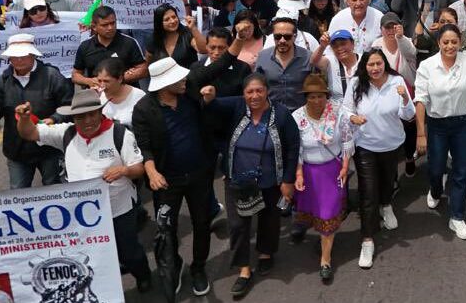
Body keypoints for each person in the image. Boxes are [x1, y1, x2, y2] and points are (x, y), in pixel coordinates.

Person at [13, 86, 151, 293]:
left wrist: (123, 170)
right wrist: (24, 119)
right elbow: (30, 133)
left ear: (101, 112)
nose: (87, 121)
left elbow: (139, 168)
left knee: (129, 252)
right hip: (83, 216)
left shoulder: (120, 134)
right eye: (80, 117)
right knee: (93, 256)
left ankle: (143, 275)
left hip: (119, 209)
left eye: (91, 115)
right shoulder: (66, 133)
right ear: (73, 118)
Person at [200, 74, 299, 299]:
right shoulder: (235, 107)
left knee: (269, 220)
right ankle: (244, 269)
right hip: (238, 181)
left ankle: (265, 253)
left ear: (267, 92)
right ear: (243, 94)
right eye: (249, 92)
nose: (254, 96)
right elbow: (212, 107)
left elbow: (293, 148)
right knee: (238, 226)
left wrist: (288, 180)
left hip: (271, 181)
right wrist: (210, 97)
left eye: (259, 91)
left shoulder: (282, 115)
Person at [131, 58, 216, 296]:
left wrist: (239, 39)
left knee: (201, 223)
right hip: (167, 181)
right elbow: (144, 145)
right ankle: (174, 266)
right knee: (167, 230)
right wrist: (152, 171)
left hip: (199, 175)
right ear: (165, 84)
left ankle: (198, 268)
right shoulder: (144, 109)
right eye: (179, 78)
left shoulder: (189, 94)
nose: (184, 80)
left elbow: (220, 65)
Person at [413, 1, 466, 240]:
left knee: (461, 170)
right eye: (445, 42)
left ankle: (457, 216)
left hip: (464, 124)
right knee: (436, 168)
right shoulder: (427, 66)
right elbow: (420, 100)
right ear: (439, 43)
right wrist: (421, 133)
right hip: (437, 126)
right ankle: (436, 189)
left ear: (460, 43)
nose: (450, 46)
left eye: (454, 42)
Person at [342, 49, 415, 269]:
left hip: (391, 144)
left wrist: (404, 97)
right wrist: (352, 117)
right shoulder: (356, 84)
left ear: (385, 64)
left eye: (378, 64)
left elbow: (409, 115)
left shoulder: (397, 81)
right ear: (364, 67)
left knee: (386, 182)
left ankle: (387, 205)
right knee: (367, 192)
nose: (375, 68)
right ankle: (367, 239)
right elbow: (344, 110)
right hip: (365, 145)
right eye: (370, 65)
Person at [0, 33, 74, 188]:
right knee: (18, 192)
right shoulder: (2, 82)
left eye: (23, 55)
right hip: (17, 151)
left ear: (33, 54)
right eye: (14, 56)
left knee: (53, 188)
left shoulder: (52, 76)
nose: (19, 60)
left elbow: (68, 106)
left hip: (50, 148)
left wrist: (54, 119)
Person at [291, 72, 353, 283]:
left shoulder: (337, 112)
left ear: (327, 96)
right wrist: (298, 173)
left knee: (327, 214)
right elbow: (297, 148)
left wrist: (345, 166)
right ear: (305, 97)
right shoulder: (297, 118)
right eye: (312, 96)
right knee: (313, 211)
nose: (317, 100)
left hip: (332, 171)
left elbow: (346, 141)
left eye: (321, 96)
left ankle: (325, 260)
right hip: (309, 172)